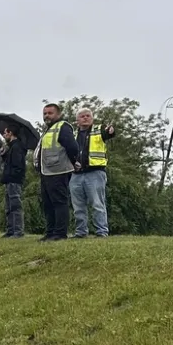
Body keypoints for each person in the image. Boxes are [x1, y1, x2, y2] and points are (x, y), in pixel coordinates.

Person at [35, 102, 82, 241]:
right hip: (47, 172)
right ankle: (50, 232)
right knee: (48, 204)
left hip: (59, 170)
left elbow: (73, 147)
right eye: (45, 113)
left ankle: (60, 233)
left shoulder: (63, 126)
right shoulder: (48, 130)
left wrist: (74, 161)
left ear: (58, 114)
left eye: (50, 113)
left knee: (59, 203)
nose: (47, 116)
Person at [71, 107, 116, 238]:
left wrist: (110, 131)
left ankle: (101, 232)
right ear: (77, 120)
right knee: (78, 206)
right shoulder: (72, 134)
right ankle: (81, 232)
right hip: (76, 174)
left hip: (95, 172)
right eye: (82, 116)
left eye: (88, 116)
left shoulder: (99, 130)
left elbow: (108, 133)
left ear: (92, 118)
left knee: (97, 203)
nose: (85, 118)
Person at [0, 122, 27, 238]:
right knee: (9, 206)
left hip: (14, 180)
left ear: (10, 133)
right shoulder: (11, 147)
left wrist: (12, 176)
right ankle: (11, 230)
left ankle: (18, 231)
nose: (4, 135)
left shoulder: (17, 147)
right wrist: (3, 155)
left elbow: (17, 165)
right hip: (9, 180)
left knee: (15, 205)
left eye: (5, 133)